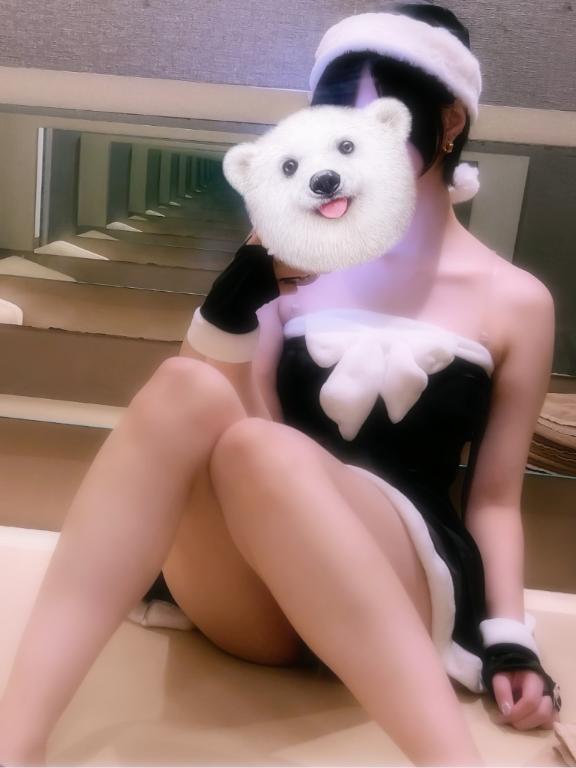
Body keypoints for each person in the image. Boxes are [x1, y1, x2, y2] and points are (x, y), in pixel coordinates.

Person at [0, 2, 561, 766]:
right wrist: (238, 295)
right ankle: (15, 740)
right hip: (256, 586)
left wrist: (510, 638)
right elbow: (221, 428)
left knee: (266, 451)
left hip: (402, 582)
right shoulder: (288, 252)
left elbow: (493, 499)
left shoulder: (515, 301)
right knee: (190, 389)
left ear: (449, 122)